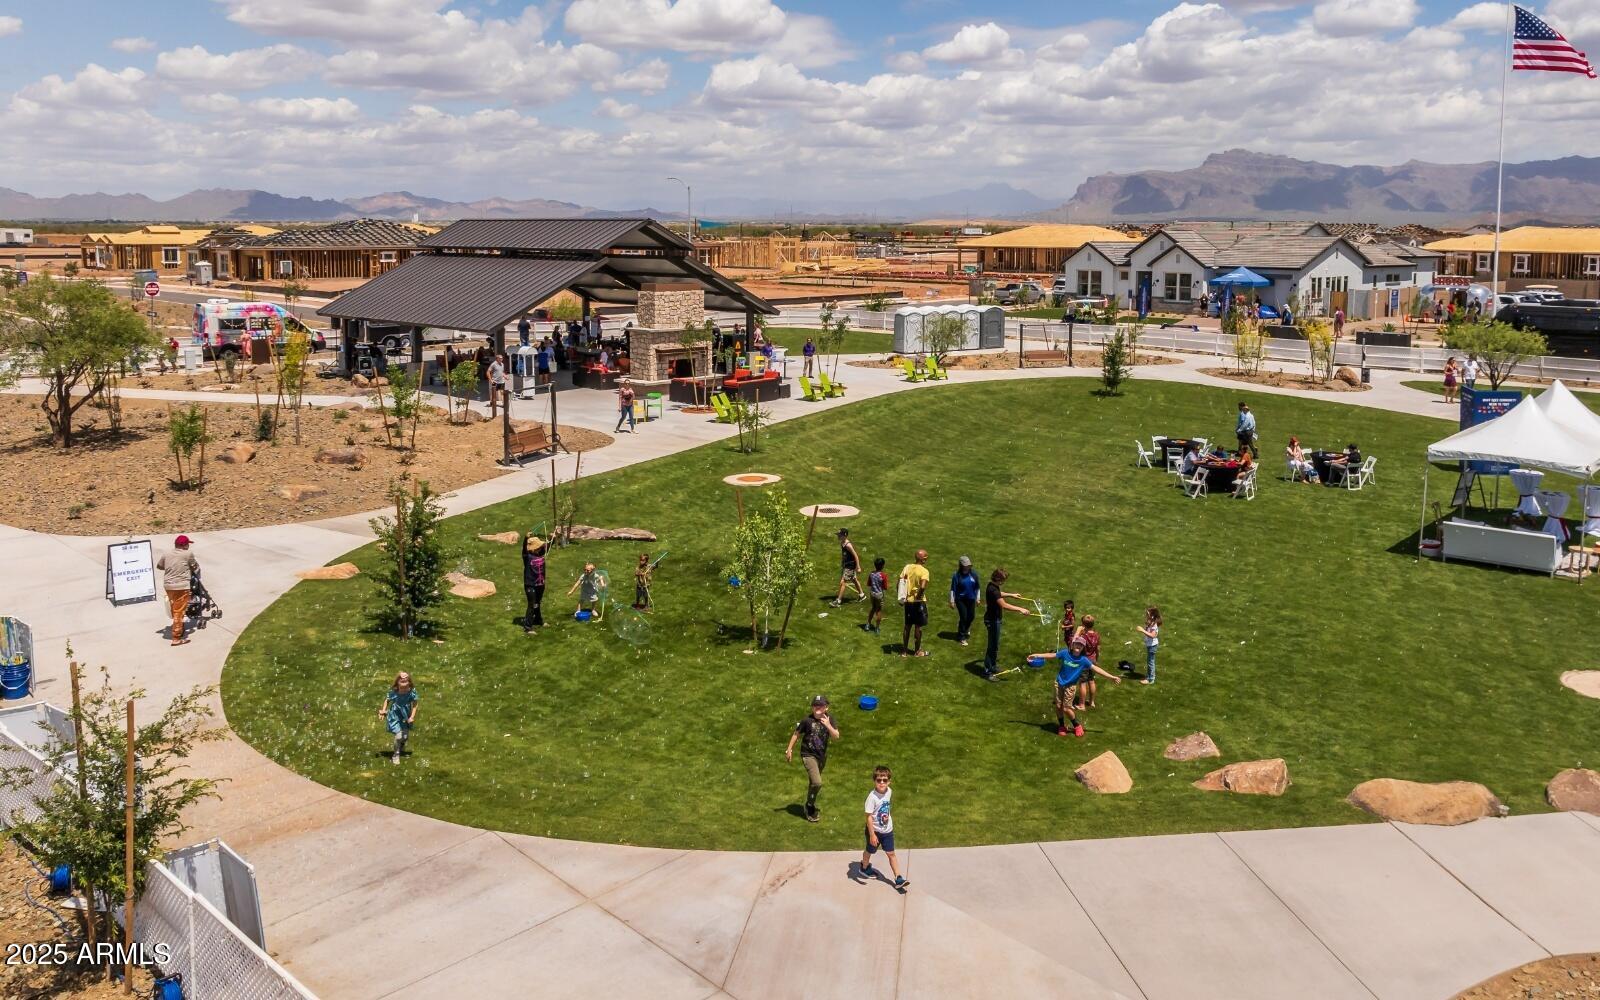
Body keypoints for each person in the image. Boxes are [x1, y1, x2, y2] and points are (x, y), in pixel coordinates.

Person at [1031, 638, 1121, 738]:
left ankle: (1077, 725)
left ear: (1083, 648)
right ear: (1072, 645)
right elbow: (1052, 655)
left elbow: (1096, 669)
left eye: (1081, 645)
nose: (1078, 646)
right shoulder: (1065, 653)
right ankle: (1061, 726)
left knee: (1066, 708)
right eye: (1077, 644)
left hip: (1070, 687)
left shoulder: (1083, 660)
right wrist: (1037, 655)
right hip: (1059, 684)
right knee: (1058, 705)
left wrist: (1112, 677)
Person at [784, 695, 840, 823]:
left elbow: (836, 736)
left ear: (826, 707)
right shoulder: (807, 721)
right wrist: (789, 749)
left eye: (820, 705)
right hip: (808, 755)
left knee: (813, 783)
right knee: (817, 782)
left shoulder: (830, 719)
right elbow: (796, 734)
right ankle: (809, 806)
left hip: (821, 756)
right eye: (815, 705)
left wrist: (828, 725)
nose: (817, 707)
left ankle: (809, 805)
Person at [860, 765, 907, 892]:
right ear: (874, 781)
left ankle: (898, 878)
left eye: (884, 780)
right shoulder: (872, 797)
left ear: (889, 781)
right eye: (879, 780)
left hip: (887, 831)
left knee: (891, 853)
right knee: (870, 851)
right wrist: (872, 835)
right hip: (874, 831)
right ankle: (864, 867)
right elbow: (868, 817)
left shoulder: (889, 792)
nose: (882, 783)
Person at [981, 568, 1030, 680]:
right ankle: (987, 671)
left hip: (994, 619)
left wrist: (1011, 595)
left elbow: (999, 593)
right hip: (993, 621)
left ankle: (992, 666)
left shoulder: (992, 586)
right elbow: (1004, 605)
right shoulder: (992, 590)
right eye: (1002, 580)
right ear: (997, 578)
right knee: (992, 646)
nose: (1003, 582)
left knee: (995, 645)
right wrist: (1020, 609)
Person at [156, 535, 198, 646]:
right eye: (187, 544)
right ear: (184, 545)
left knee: (175, 609)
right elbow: (195, 567)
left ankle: (178, 626)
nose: (188, 546)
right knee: (179, 612)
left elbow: (159, 566)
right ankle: (176, 638)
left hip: (168, 586)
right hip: (182, 586)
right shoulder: (188, 554)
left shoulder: (166, 554)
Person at [379, 671, 418, 764]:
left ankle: (401, 744)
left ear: (409, 682)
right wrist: (383, 711)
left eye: (406, 680)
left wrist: (412, 717)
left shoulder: (411, 693)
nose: (404, 681)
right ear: (397, 682)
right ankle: (395, 755)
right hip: (395, 716)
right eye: (401, 680)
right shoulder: (395, 692)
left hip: (406, 716)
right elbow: (387, 700)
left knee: (405, 737)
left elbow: (415, 705)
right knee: (399, 736)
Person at [898, 550, 931, 657]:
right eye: (925, 557)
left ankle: (904, 651)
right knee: (918, 627)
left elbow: (899, 582)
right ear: (922, 559)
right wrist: (918, 597)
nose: (926, 558)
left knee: (907, 626)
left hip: (908, 601)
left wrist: (901, 597)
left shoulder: (907, 567)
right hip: (918, 602)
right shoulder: (924, 571)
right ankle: (917, 651)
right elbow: (922, 586)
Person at [1071, 615, 1103, 710]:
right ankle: (1092, 702)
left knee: (1082, 683)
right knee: (1091, 681)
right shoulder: (1097, 635)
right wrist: (1096, 659)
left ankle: (1082, 705)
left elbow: (1073, 645)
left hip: (1084, 661)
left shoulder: (1083, 636)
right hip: (1092, 660)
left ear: (1083, 625)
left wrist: (1077, 632)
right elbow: (1098, 649)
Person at [948, 556, 980, 645]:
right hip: (960, 599)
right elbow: (953, 589)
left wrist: (978, 598)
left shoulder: (974, 575)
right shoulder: (957, 576)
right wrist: (952, 601)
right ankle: (961, 637)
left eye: (968, 565)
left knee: (971, 616)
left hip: (971, 599)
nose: (967, 567)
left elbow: (977, 587)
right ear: (961, 565)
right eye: (966, 565)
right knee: (964, 617)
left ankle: (965, 628)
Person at [831, 528, 864, 606]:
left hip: (850, 566)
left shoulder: (848, 545)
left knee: (843, 582)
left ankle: (838, 601)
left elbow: (855, 555)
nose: (838, 536)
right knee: (854, 579)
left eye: (840, 535)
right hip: (847, 565)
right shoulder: (842, 543)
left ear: (845, 536)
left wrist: (858, 567)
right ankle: (862, 595)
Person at [522, 533, 546, 633]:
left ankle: (538, 620)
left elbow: (546, 547)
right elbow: (524, 549)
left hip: (540, 584)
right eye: (539, 546)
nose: (541, 547)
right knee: (531, 604)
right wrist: (526, 538)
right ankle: (528, 627)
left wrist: (553, 537)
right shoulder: (527, 557)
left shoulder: (541, 553)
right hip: (530, 584)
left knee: (537, 603)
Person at [1135, 607, 1162, 684]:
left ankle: (1150, 679)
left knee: (1150, 662)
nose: (1146, 615)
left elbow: (1153, 635)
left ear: (1152, 615)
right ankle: (1149, 676)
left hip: (1152, 646)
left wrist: (1142, 630)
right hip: (1150, 645)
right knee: (1150, 661)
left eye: (1148, 614)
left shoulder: (1154, 624)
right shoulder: (1151, 622)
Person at [865, 557, 887, 634]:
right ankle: (877, 628)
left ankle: (868, 624)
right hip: (879, 595)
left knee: (873, 608)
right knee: (879, 610)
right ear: (882, 566)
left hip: (872, 593)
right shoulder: (883, 575)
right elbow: (885, 587)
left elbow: (869, 584)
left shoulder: (871, 574)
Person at [487, 353, 507, 418]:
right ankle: (492, 402)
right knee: (493, 393)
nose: (502, 359)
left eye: (502, 358)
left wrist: (505, 376)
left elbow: (502, 372)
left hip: (501, 381)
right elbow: (488, 372)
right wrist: (490, 380)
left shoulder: (502, 364)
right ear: (497, 358)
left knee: (502, 392)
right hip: (495, 381)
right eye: (500, 358)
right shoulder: (493, 364)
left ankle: (504, 404)